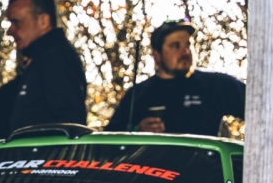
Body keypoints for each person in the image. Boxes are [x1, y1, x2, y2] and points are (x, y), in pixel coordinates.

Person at [0, 0, 86, 139]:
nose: (10, 31)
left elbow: (68, 125)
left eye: (17, 23)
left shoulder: (56, 59)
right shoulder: (41, 60)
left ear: (43, 21)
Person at [105, 20, 245, 135]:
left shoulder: (216, 85)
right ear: (157, 54)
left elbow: (260, 107)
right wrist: (136, 131)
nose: (185, 51)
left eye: (188, 45)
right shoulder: (137, 94)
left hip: (205, 168)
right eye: (175, 46)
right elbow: (108, 144)